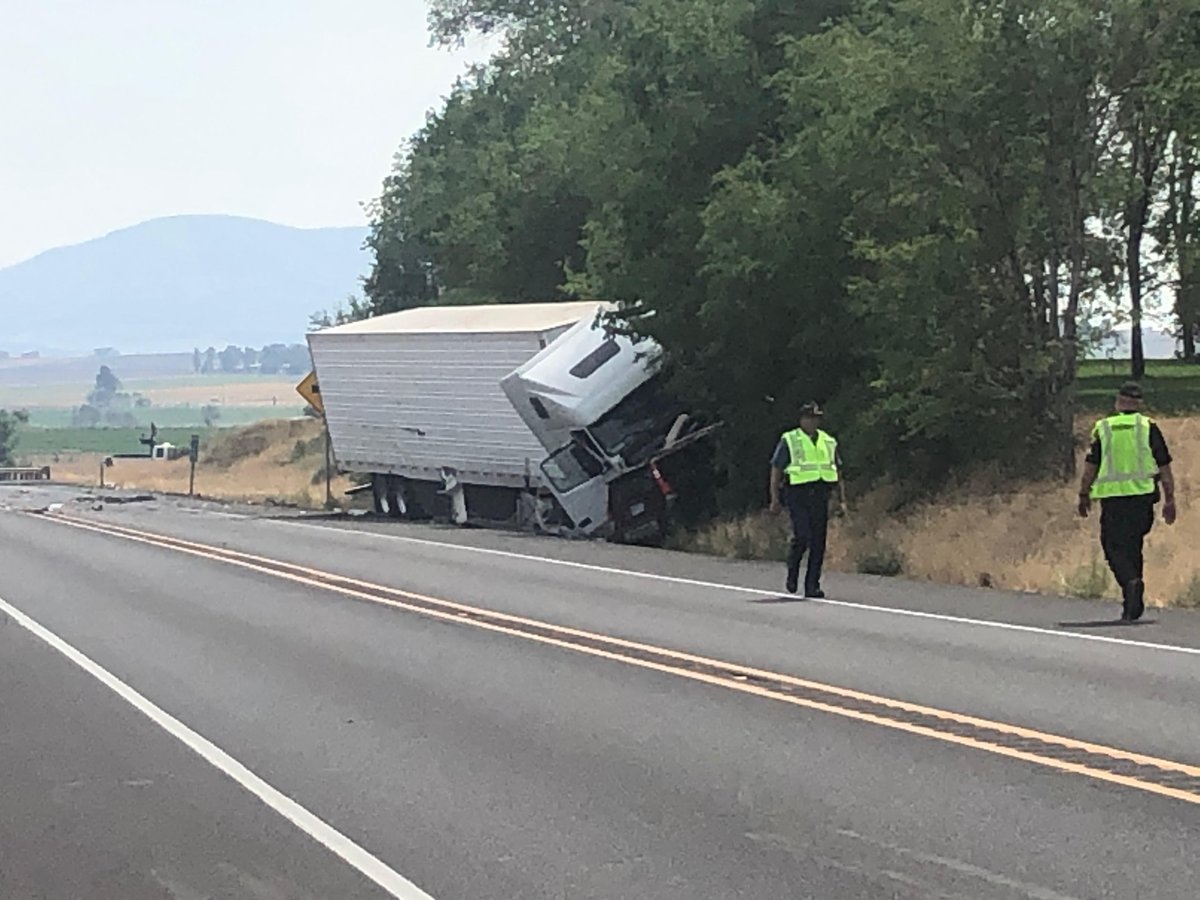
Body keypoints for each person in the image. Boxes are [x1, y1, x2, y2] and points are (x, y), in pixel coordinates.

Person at [1078, 381, 1177, 621]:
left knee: (1112, 546)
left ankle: (1131, 584)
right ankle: (1131, 602)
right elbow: (1164, 465)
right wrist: (1170, 500)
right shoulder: (1148, 427)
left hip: (1114, 500)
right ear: (1140, 403)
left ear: (1118, 401)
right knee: (1133, 546)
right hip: (1143, 497)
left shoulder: (1104, 428)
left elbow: (1091, 465)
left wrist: (1083, 494)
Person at [769, 402, 847, 597]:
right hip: (797, 493)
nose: (813, 422)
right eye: (810, 418)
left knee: (818, 542)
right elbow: (776, 469)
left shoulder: (828, 441)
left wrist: (842, 500)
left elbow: (837, 471)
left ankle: (812, 585)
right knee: (803, 535)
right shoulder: (790, 439)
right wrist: (774, 498)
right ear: (802, 420)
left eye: (816, 418)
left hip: (821, 493)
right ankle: (793, 568)